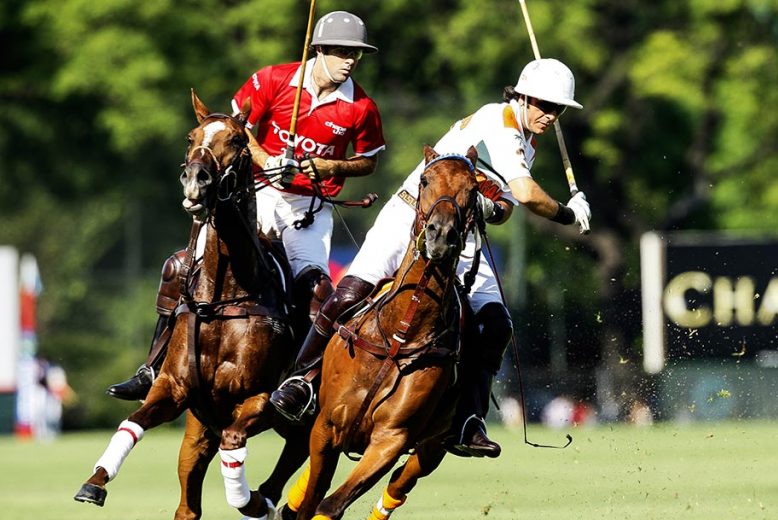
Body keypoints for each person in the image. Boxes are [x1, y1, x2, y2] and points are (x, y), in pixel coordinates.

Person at [269, 58, 592, 459]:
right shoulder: (500, 120)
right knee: (351, 291)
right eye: (543, 105)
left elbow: (508, 205)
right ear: (522, 96)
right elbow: (526, 194)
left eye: (557, 109)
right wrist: (566, 211)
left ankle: (468, 421)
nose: (549, 115)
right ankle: (301, 379)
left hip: (463, 237)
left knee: (495, 324)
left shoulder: (526, 144)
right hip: (410, 217)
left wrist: (492, 210)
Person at [107, 10, 385, 401]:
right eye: (342, 52)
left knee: (317, 290)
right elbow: (237, 129)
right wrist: (268, 161)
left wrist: (324, 165)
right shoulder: (272, 79)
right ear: (318, 49)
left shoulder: (360, 106)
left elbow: (368, 160)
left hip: (310, 208)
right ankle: (151, 368)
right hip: (260, 196)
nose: (351, 61)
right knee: (181, 266)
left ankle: (301, 382)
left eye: (356, 54)